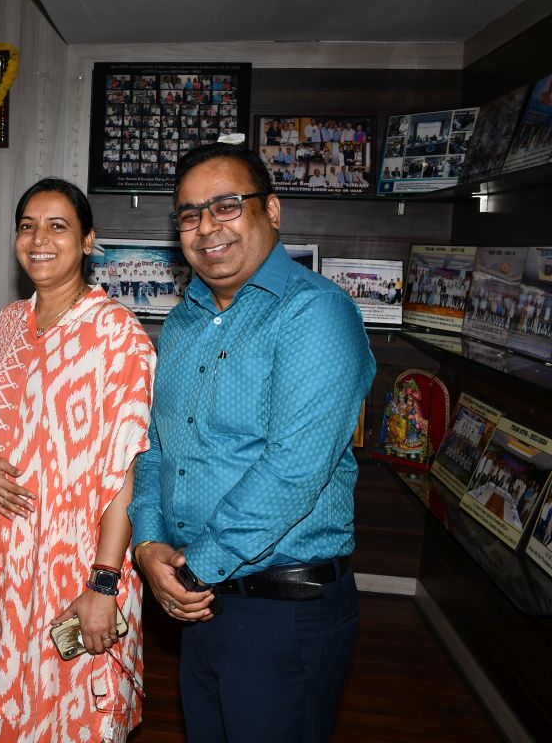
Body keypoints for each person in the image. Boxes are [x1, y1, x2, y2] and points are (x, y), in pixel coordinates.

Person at [129, 143, 375, 742]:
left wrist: (193, 569)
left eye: (226, 206)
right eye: (189, 214)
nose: (206, 227)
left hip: (282, 613)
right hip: (200, 600)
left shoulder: (315, 312)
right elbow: (159, 445)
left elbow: (295, 468)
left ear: (272, 209)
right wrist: (148, 543)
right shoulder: (184, 320)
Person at [0, 178, 154, 741]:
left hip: (81, 561)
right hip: (5, 558)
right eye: (27, 226)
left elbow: (126, 470)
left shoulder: (118, 335)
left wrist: (104, 584)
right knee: (5, 710)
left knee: (77, 711)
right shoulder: (8, 324)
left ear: (88, 241)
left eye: (57, 226)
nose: (39, 239)